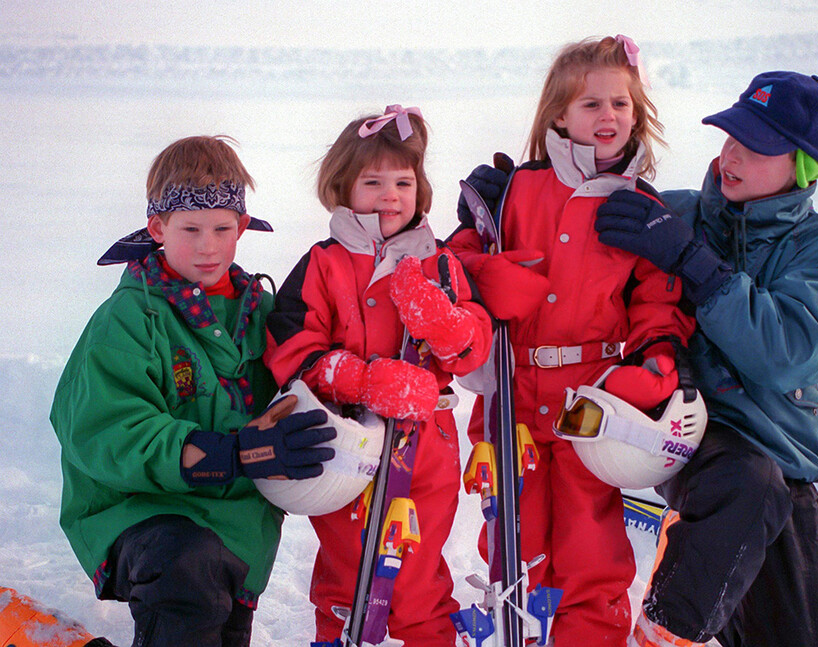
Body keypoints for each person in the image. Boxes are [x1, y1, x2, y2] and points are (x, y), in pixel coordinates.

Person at [448, 36, 694, 645]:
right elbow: (455, 269)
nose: (607, 116)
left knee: (589, 544)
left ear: (636, 114)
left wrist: (657, 360)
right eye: (590, 105)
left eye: (620, 104)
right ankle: (521, 633)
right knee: (515, 537)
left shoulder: (641, 206)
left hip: (593, 403)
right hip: (514, 396)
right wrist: (482, 271)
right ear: (559, 113)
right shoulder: (516, 192)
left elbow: (656, 302)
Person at [594, 71, 818, 646]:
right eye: (731, 135)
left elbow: (788, 353)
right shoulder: (676, 215)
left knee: (797, 629)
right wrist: (511, 197)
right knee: (747, 482)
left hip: (779, 460)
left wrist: (698, 267)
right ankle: (663, 632)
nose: (731, 154)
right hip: (687, 433)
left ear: (805, 167)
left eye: (757, 145)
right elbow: (577, 223)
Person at [50, 135, 338, 647]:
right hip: (141, 511)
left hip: (235, 522)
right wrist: (229, 453)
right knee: (189, 579)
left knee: (214, 621)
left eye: (222, 228)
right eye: (190, 229)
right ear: (157, 228)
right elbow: (104, 430)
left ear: (242, 228)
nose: (208, 245)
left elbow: (307, 381)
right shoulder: (130, 319)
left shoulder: (264, 316)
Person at [264, 105, 493, 645]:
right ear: (342, 186)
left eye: (402, 181)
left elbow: (476, 348)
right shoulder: (323, 263)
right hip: (348, 445)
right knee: (349, 570)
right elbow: (291, 347)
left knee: (415, 571)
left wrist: (444, 322)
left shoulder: (439, 264)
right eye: (372, 182)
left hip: (427, 446)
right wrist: (359, 380)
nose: (389, 195)